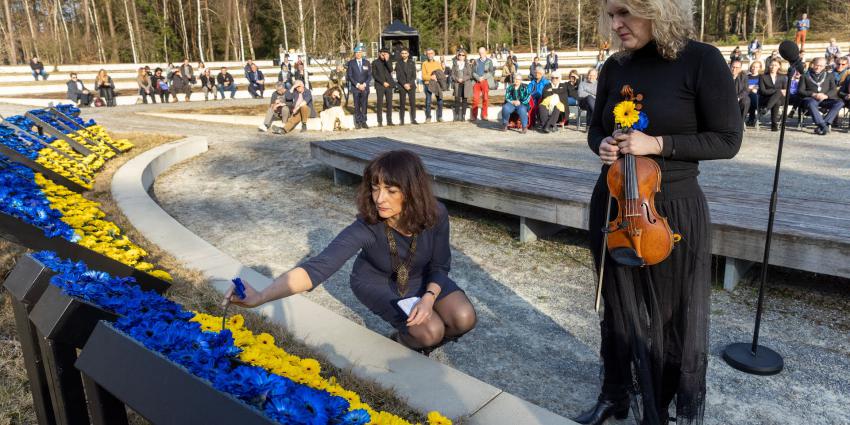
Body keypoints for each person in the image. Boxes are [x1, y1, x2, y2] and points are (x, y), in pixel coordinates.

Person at [579, 0, 742, 424]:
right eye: (611, 15)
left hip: (670, 208)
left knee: (670, 316)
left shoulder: (701, 60)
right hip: (615, 202)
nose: (616, 24)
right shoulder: (615, 66)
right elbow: (595, 128)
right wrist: (601, 145)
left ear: (658, 9)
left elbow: (728, 139)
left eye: (625, 12)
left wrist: (658, 144)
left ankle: (659, 409)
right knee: (616, 305)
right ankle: (614, 394)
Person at [223, 150, 477, 355]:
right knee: (430, 331)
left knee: (463, 318)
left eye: (391, 190)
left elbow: (440, 265)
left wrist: (428, 298)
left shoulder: (436, 214)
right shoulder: (367, 226)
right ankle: (403, 341)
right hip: (377, 282)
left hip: (422, 278)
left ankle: (424, 341)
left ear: (412, 191)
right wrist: (261, 296)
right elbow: (317, 268)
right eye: (375, 188)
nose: (379, 198)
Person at [798, 56, 843, 135]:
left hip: (825, 99)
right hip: (811, 99)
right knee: (811, 103)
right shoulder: (805, 76)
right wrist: (813, 94)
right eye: (816, 65)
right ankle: (822, 125)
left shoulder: (829, 75)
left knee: (840, 102)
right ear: (813, 64)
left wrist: (826, 96)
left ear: (824, 66)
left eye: (821, 66)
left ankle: (824, 124)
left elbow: (833, 90)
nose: (818, 67)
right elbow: (800, 91)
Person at [346, 45, 372, 129]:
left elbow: (369, 75)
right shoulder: (351, 63)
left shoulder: (367, 62)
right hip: (355, 88)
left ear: (362, 53)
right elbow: (350, 76)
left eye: (360, 52)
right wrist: (357, 85)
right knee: (357, 105)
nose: (358, 54)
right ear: (355, 53)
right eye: (356, 52)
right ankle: (358, 122)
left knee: (364, 104)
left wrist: (364, 84)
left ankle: (364, 121)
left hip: (365, 87)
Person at [758, 58, 787, 132]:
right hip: (766, 98)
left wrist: (779, 92)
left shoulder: (782, 77)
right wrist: (777, 91)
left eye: (775, 65)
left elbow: (785, 91)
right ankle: (774, 124)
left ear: (779, 66)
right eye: (772, 65)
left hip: (781, 98)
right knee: (776, 101)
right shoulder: (763, 76)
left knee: (778, 97)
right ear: (769, 66)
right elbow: (763, 91)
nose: (773, 67)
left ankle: (767, 109)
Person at [372, 48, 396, 127]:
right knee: (380, 103)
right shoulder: (375, 62)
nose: (383, 55)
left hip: (389, 85)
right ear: (379, 53)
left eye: (385, 53)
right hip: (380, 85)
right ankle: (380, 121)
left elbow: (391, 70)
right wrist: (383, 82)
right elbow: (374, 75)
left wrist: (387, 60)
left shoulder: (388, 61)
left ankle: (389, 121)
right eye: (382, 53)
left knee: (389, 103)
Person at [470, 47, 495, 122]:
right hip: (477, 82)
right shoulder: (475, 61)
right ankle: (474, 116)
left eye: (483, 52)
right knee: (475, 99)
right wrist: (478, 78)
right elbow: (473, 72)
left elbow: (491, 72)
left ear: (485, 52)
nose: (481, 54)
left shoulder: (489, 61)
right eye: (480, 53)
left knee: (485, 98)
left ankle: (484, 115)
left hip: (485, 81)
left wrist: (483, 77)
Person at [421, 48, 445, 123]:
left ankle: (440, 116)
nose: (430, 55)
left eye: (431, 53)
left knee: (440, 100)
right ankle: (428, 117)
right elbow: (423, 76)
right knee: (428, 101)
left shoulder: (437, 63)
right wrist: (430, 77)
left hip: (436, 83)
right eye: (428, 54)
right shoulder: (424, 63)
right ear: (426, 55)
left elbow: (441, 73)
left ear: (434, 54)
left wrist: (437, 77)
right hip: (428, 84)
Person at [395, 48, 418, 125]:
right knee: (402, 103)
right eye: (402, 53)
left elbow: (414, 76)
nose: (404, 55)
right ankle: (402, 120)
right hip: (402, 86)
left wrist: (409, 84)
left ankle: (413, 119)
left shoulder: (412, 63)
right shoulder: (398, 63)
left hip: (411, 85)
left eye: (405, 53)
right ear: (401, 54)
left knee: (412, 103)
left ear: (408, 54)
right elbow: (398, 76)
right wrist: (404, 84)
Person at [451, 50, 473, 122]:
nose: (461, 56)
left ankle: (463, 116)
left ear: (465, 56)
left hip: (465, 84)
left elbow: (470, 75)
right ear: (457, 56)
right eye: (460, 55)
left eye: (463, 55)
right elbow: (452, 75)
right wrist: (457, 79)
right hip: (457, 84)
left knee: (464, 100)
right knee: (457, 100)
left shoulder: (467, 64)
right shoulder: (454, 64)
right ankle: (456, 115)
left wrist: (463, 79)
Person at [731, 60, 750, 124]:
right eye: (733, 67)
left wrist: (738, 97)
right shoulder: (725, 75)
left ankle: (741, 122)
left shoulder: (744, 76)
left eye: (737, 67)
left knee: (746, 101)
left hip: (740, 97)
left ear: (740, 68)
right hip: (728, 98)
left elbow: (746, 90)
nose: (734, 69)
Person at [745, 61, 763, 126]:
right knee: (750, 96)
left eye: (756, 67)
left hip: (758, 97)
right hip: (747, 95)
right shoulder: (746, 77)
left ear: (760, 68)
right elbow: (743, 87)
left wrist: (752, 88)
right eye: (753, 66)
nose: (754, 68)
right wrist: (751, 88)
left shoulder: (761, 77)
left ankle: (751, 119)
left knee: (752, 95)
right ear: (751, 67)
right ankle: (751, 119)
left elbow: (762, 87)